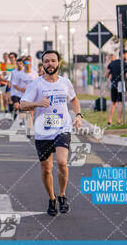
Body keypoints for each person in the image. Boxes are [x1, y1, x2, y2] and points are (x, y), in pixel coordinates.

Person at [20, 50, 82, 216]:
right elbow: (22, 105)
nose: (50, 64)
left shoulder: (65, 82)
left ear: (58, 63)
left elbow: (74, 99)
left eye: (53, 61)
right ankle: (52, 198)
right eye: (46, 61)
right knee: (46, 169)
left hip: (63, 128)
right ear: (43, 65)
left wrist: (78, 115)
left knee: (62, 162)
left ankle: (62, 195)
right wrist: (38, 103)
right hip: (43, 131)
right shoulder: (36, 84)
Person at [10, 56, 38, 135]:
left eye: (28, 63)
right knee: (24, 112)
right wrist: (22, 89)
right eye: (25, 63)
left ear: (31, 64)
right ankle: (17, 116)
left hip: (31, 96)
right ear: (23, 64)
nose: (27, 64)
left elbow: (38, 84)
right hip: (20, 95)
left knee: (31, 113)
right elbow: (14, 85)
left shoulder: (34, 73)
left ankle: (29, 129)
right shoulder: (19, 74)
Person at [106, 50, 127, 126]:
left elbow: (107, 74)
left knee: (113, 103)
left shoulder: (112, 63)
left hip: (113, 84)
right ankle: (119, 120)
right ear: (123, 55)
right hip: (122, 84)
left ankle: (110, 120)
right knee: (120, 103)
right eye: (126, 55)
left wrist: (112, 77)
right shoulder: (126, 64)